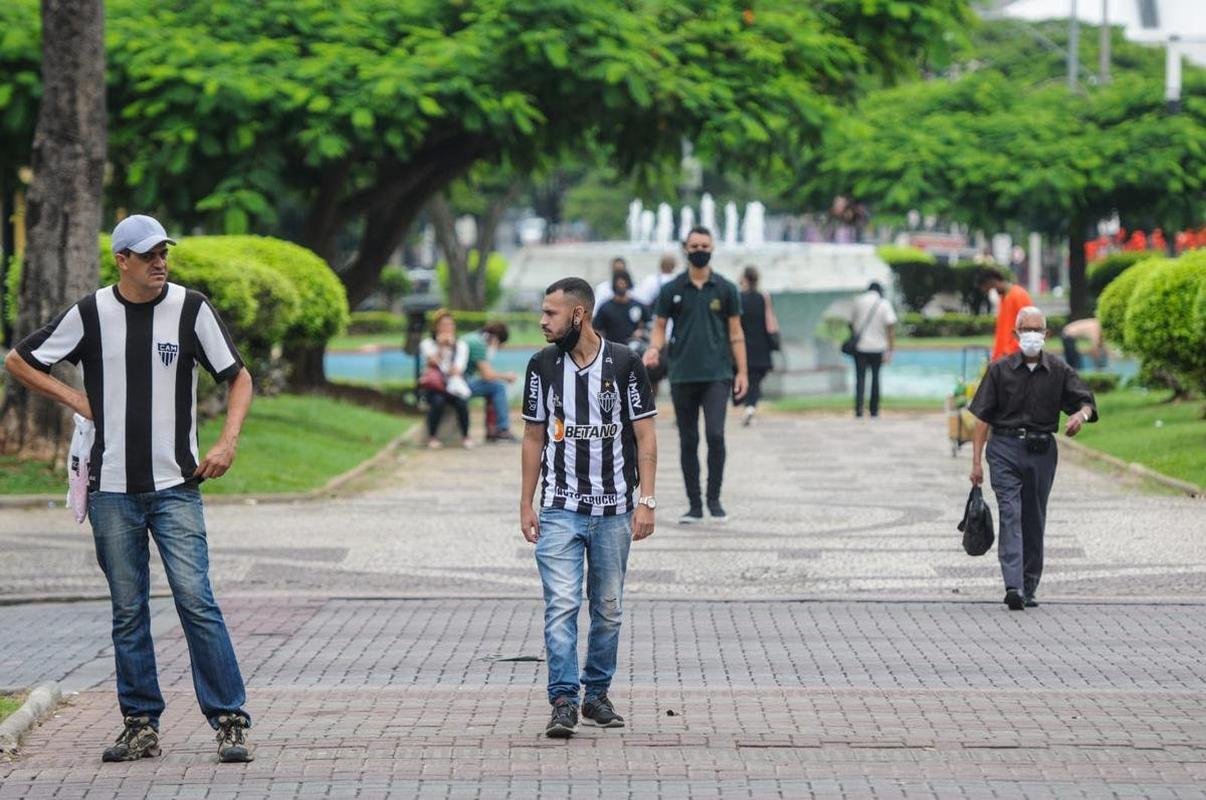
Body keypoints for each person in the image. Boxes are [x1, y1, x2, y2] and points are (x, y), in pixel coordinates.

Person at [3, 214, 255, 763]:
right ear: (122, 260)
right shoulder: (91, 313)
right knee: (128, 609)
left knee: (197, 600)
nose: (159, 262)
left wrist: (227, 442)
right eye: (147, 255)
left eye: (164, 252)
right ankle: (140, 724)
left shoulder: (190, 308)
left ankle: (230, 719)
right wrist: (77, 400)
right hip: (111, 490)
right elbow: (19, 360)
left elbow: (237, 376)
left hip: (177, 485)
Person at [519, 277, 658, 738]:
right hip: (560, 507)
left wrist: (647, 501)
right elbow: (533, 435)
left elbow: (645, 436)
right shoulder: (541, 366)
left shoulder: (625, 363)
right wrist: (526, 503)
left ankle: (596, 693)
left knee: (608, 607)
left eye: (551, 313)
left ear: (578, 315)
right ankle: (563, 699)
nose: (542, 321)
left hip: (615, 508)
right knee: (561, 605)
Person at [968, 306, 1098, 611]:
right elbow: (981, 420)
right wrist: (976, 462)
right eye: (1025, 329)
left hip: (1041, 452)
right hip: (1003, 449)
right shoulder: (999, 370)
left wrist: (1081, 415)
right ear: (1016, 335)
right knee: (1010, 513)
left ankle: (1029, 584)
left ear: (1046, 334)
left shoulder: (1059, 370)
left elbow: (1085, 402)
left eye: (1036, 329)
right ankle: (1012, 585)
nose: (1031, 335)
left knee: (1033, 518)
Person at [643, 226, 748, 524]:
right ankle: (694, 504)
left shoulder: (726, 288)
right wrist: (654, 348)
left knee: (715, 435)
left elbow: (736, 333)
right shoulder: (672, 289)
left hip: (717, 374)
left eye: (705, 245)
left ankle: (714, 500)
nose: (700, 250)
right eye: (694, 246)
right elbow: (660, 326)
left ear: (712, 248)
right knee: (688, 439)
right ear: (685, 249)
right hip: (682, 374)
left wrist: (742, 372)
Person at [419, 311, 473, 449]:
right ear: (436, 326)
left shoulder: (461, 346)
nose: (447, 328)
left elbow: (458, 369)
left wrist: (449, 355)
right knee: (438, 401)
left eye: (450, 324)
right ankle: (432, 436)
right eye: (443, 325)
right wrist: (441, 347)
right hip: (435, 387)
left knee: (461, 402)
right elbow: (432, 362)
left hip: (453, 385)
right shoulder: (427, 343)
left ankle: (466, 436)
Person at [738, 266, 780, 426]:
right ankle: (750, 406)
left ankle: (748, 405)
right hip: (761, 344)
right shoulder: (763, 297)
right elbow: (770, 320)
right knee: (755, 379)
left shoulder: (739, 298)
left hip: (743, 345)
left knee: (745, 377)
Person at [848, 281, 898, 418]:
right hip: (878, 347)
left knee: (860, 379)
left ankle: (859, 410)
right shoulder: (884, 304)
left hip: (860, 347)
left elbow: (851, 323)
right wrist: (891, 349)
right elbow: (890, 328)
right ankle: (874, 410)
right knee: (876, 379)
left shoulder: (858, 301)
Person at [463, 321, 518, 443]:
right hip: (460, 384)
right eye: (499, 345)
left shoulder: (472, 337)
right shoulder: (478, 344)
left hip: (461, 380)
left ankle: (492, 430)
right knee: (498, 387)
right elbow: (487, 375)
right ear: (495, 339)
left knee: (492, 386)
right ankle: (502, 429)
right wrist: (506, 376)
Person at [633, 254, 679, 397]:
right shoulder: (677, 282)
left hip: (655, 332)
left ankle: (652, 400)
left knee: (654, 371)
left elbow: (639, 302)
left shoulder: (651, 281)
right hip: (673, 333)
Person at [978, 266, 1033, 361]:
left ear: (992, 282)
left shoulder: (1018, 295)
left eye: (988, 289)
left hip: (1015, 359)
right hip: (1004, 359)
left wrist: (1008, 353)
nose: (989, 292)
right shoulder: (1004, 299)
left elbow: (1028, 329)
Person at [592, 269, 651, 347]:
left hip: (633, 349)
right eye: (619, 283)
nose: (621, 285)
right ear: (614, 285)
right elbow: (597, 329)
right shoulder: (605, 307)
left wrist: (642, 332)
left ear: (628, 284)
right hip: (612, 349)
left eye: (624, 283)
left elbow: (650, 324)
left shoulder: (637, 305)